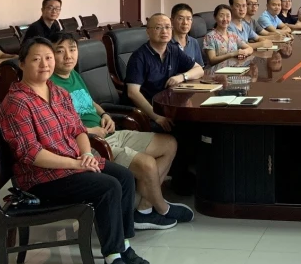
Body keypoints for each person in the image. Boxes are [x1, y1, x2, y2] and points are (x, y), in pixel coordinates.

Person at [0, 37, 150, 264]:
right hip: (41, 178)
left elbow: (78, 129)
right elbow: (31, 154)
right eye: (36, 59)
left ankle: (123, 245)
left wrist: (87, 155)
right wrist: (77, 164)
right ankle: (112, 259)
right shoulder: (17, 103)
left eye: (48, 58)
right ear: (21, 64)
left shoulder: (58, 92)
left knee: (123, 176)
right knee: (108, 186)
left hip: (71, 164)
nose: (45, 64)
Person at [49, 33, 193, 229]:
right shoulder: (50, 85)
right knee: (147, 164)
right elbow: (57, 127)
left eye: (72, 50)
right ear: (50, 55)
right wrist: (92, 130)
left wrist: (104, 114)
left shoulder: (73, 74)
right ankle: (163, 208)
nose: (68, 56)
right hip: (90, 143)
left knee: (169, 144)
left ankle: (144, 210)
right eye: (60, 51)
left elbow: (89, 102)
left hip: (108, 132)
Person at [125, 14, 204, 133]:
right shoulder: (139, 57)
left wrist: (182, 76)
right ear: (148, 32)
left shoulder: (173, 49)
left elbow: (199, 69)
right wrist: (157, 117)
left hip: (167, 106)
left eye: (167, 27)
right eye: (158, 28)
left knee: (198, 121)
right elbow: (132, 93)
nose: (164, 31)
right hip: (146, 111)